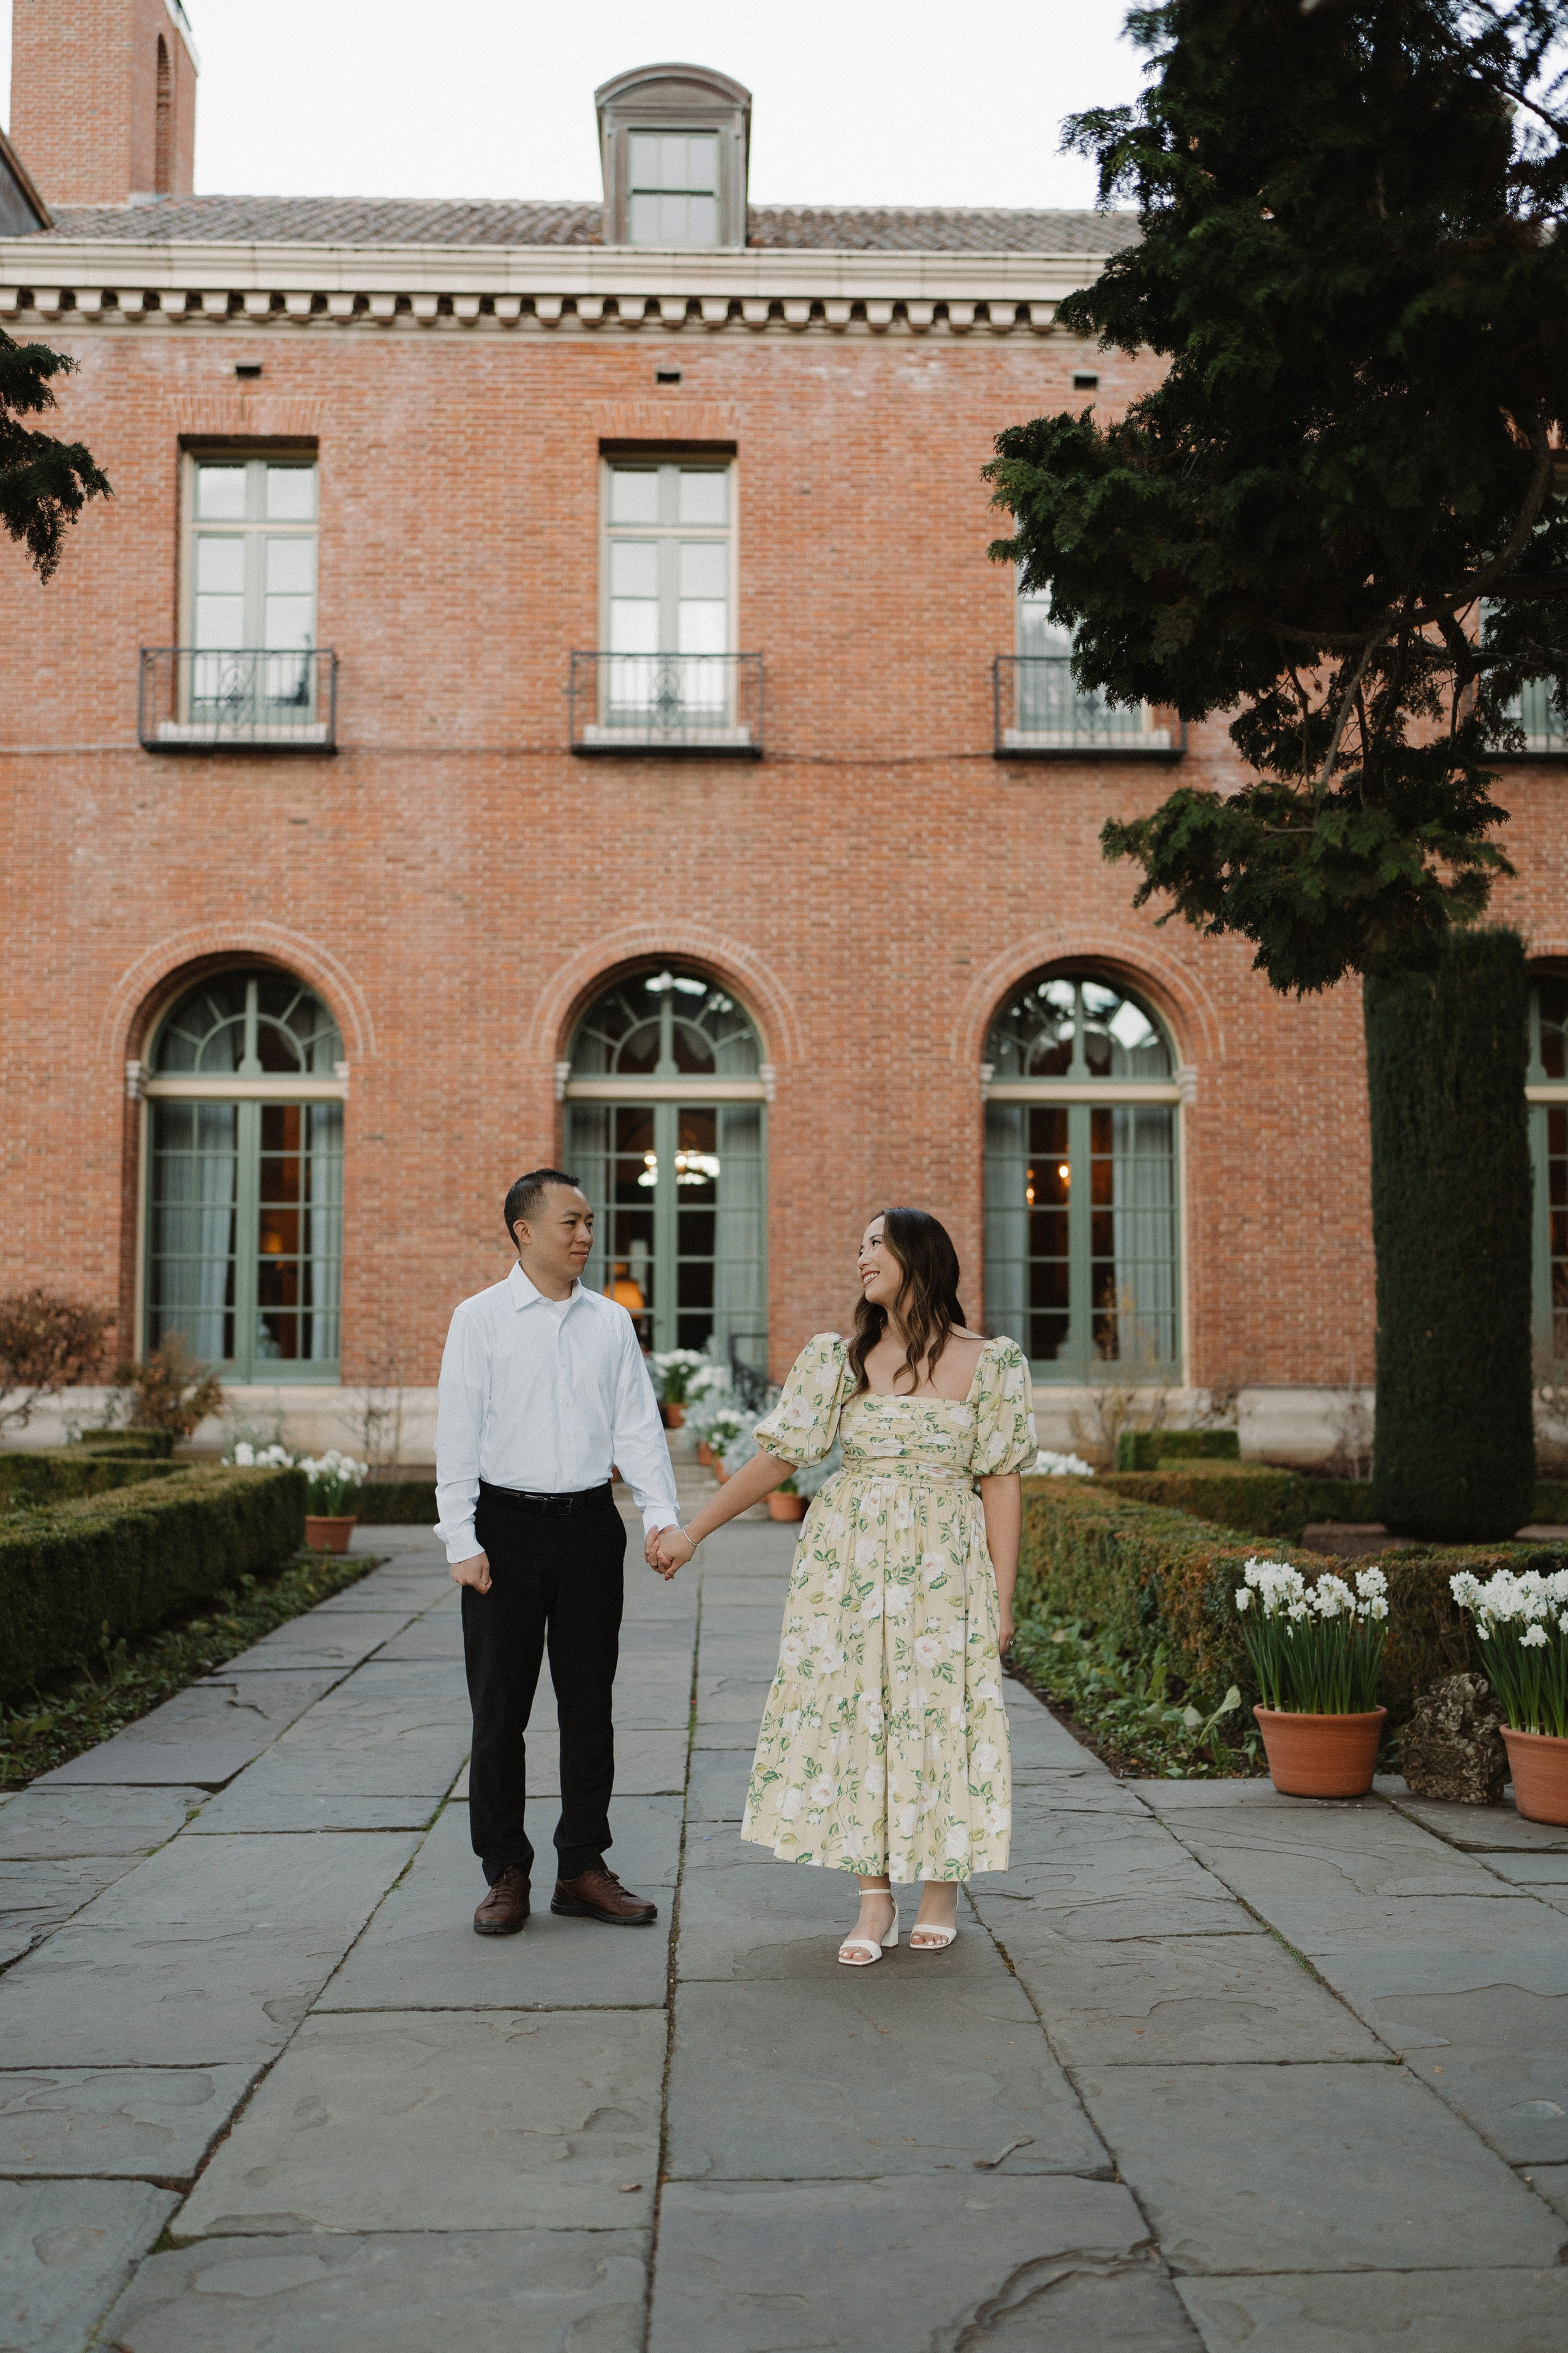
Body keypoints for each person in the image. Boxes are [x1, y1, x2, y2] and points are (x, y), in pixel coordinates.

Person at [649, 1206, 1035, 1964]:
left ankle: (940, 1889)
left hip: (944, 1567)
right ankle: (873, 1899)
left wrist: (1002, 1598)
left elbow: (1001, 1481)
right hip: (848, 1566)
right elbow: (777, 1457)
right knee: (856, 1718)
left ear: (919, 1256)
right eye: (858, 1244)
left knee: (941, 1716)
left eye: (875, 1244)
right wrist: (692, 1533)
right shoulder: (837, 1358)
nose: (860, 1257)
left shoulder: (992, 1363)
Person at [435, 1168, 681, 1936]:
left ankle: (580, 1865)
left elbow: (637, 1427)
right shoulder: (478, 1319)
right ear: (524, 1231)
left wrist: (660, 1517)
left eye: (589, 1222)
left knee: (588, 1707)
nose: (585, 1235)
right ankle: (505, 1871)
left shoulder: (610, 1322)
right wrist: (461, 1537)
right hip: (504, 1532)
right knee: (498, 1713)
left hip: (587, 1528)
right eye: (570, 1222)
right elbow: (457, 1432)